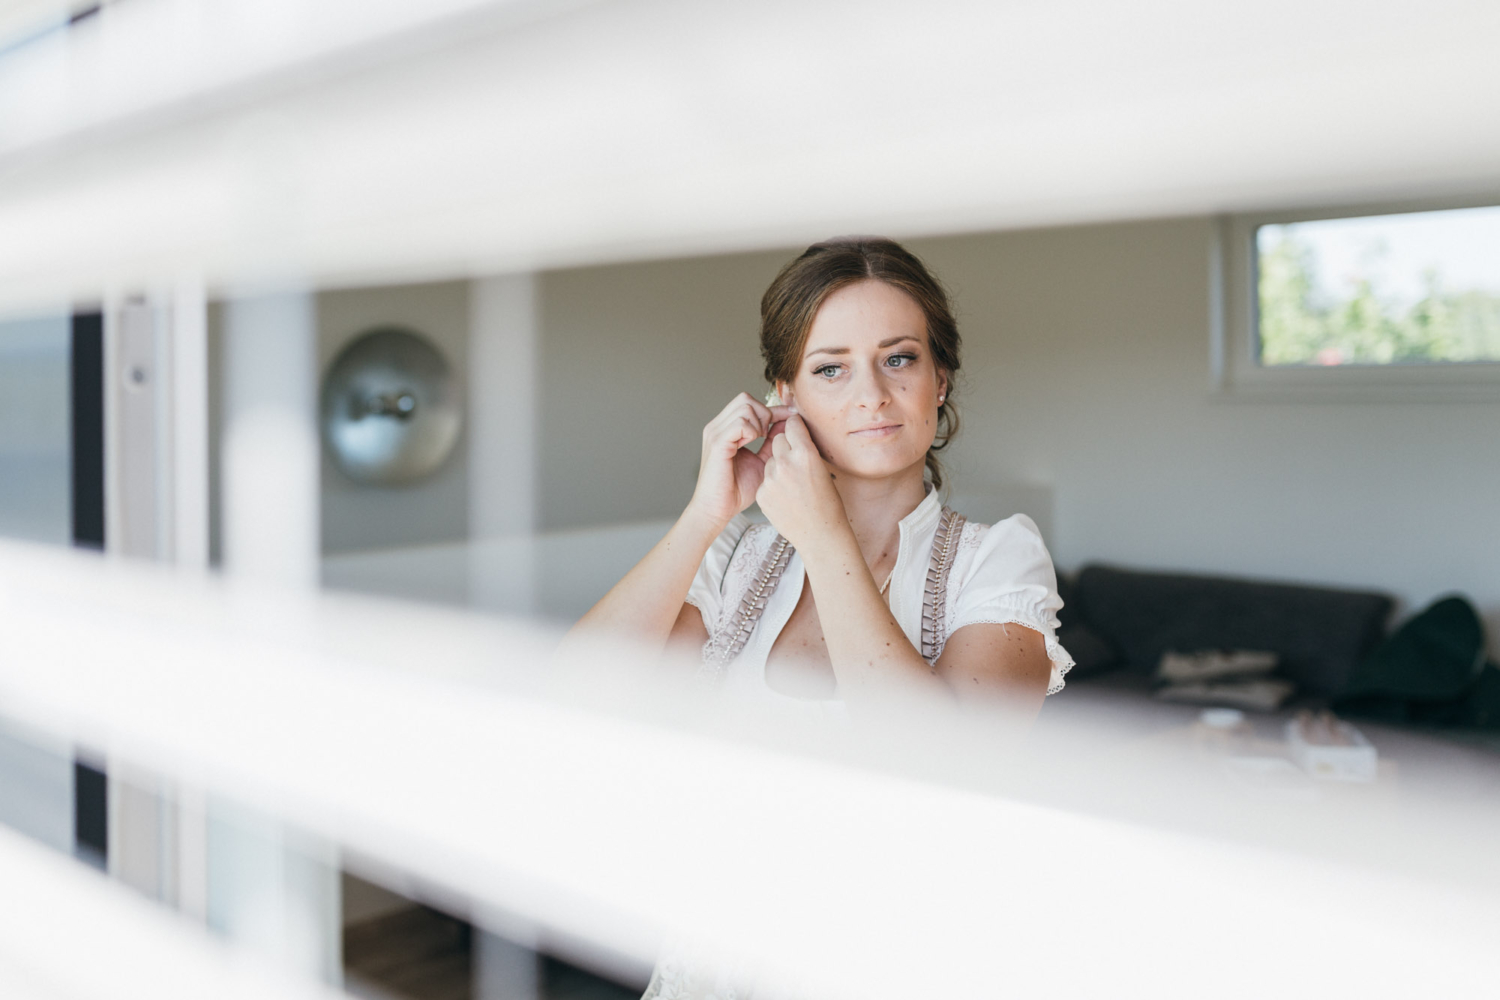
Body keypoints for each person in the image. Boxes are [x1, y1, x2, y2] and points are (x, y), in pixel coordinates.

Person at [568, 235, 1072, 718]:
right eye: (831, 369)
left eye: (898, 359)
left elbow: (946, 760)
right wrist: (704, 515)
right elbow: (576, 697)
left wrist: (825, 539)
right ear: (786, 395)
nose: (871, 394)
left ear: (939, 381)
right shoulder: (730, 560)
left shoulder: (999, 561)